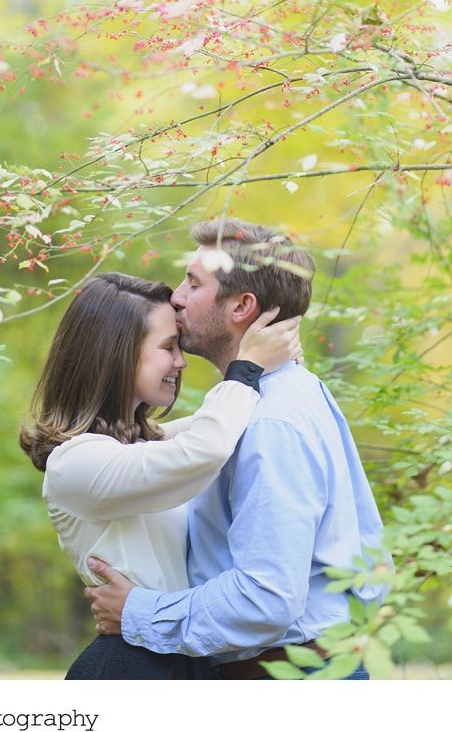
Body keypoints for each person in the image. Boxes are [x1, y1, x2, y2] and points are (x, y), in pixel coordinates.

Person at [86, 219, 389, 680]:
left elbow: (266, 598)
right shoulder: (269, 397)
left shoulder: (273, 422)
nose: (177, 298)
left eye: (194, 284)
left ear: (242, 306)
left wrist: (139, 612)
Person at [20, 272, 301, 679]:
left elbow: (217, 425)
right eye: (168, 347)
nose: (181, 361)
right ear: (114, 353)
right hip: (131, 665)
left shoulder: (138, 448)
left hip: (175, 652)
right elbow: (205, 447)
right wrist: (247, 368)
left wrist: (274, 366)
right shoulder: (75, 464)